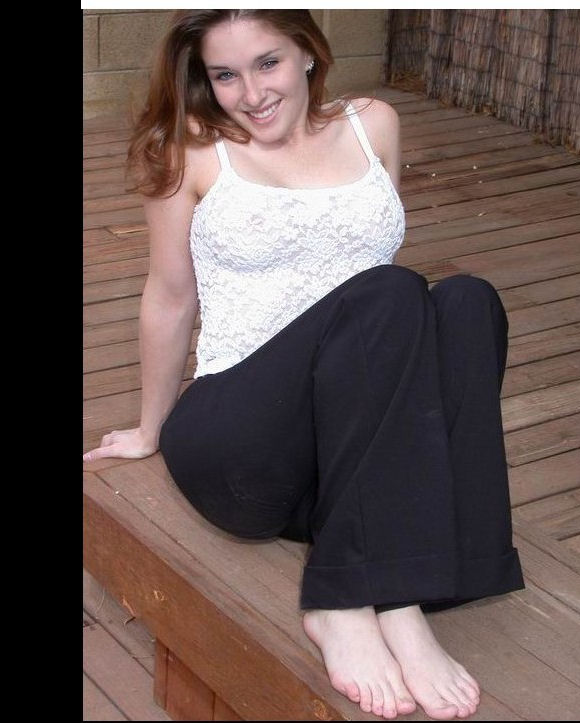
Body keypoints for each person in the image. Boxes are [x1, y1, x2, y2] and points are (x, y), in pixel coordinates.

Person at [83, 9, 524, 720]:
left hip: (346, 448)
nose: (252, 93)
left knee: (468, 301)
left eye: (268, 63)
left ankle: (407, 581)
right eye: (225, 75)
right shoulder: (190, 152)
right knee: (391, 291)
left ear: (309, 54)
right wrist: (148, 428)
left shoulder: (373, 125)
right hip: (244, 442)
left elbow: (373, 272)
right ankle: (347, 600)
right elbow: (169, 295)